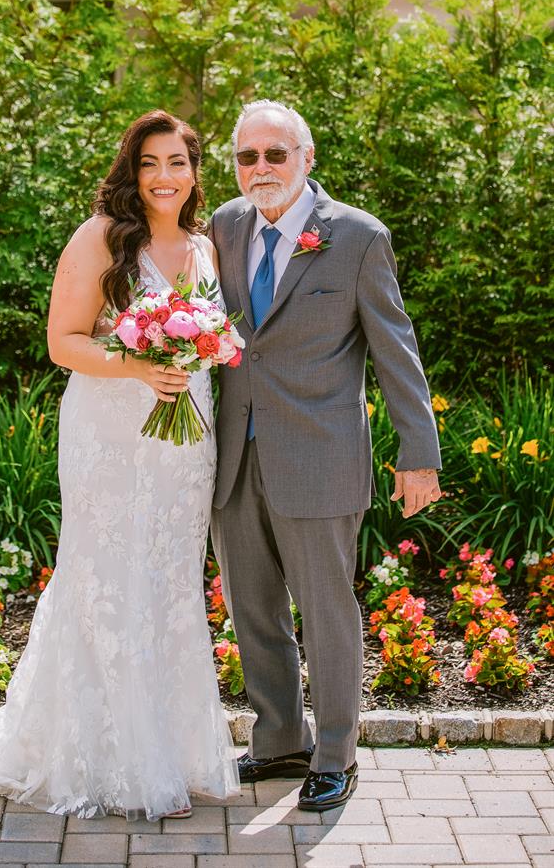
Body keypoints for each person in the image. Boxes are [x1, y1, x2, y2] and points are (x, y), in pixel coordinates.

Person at [0, 110, 239, 820]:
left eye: (177, 163)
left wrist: (205, 351)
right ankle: (110, 759)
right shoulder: (101, 237)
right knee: (105, 575)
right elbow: (63, 341)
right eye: (150, 163)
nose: (165, 177)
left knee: (170, 581)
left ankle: (172, 752)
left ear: (194, 171)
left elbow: (217, 338)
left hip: (187, 441)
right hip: (110, 433)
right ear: (132, 171)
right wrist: (137, 365)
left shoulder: (205, 244)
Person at [209, 99, 441, 812]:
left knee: (326, 611)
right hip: (234, 456)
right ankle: (279, 741)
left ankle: (338, 753)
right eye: (248, 156)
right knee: (254, 612)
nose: (261, 168)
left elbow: (393, 348)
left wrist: (418, 450)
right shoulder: (224, 226)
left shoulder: (357, 238)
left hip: (319, 455)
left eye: (275, 154)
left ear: (307, 159)